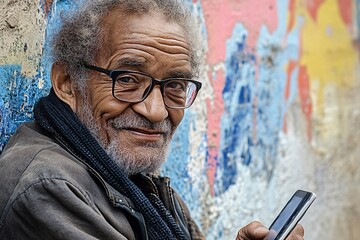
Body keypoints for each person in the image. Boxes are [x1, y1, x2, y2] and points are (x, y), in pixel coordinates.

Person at [0, 0, 305, 239]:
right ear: (68, 83)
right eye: (129, 79)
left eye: (175, 85)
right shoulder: (48, 187)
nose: (156, 111)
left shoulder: (131, 179)